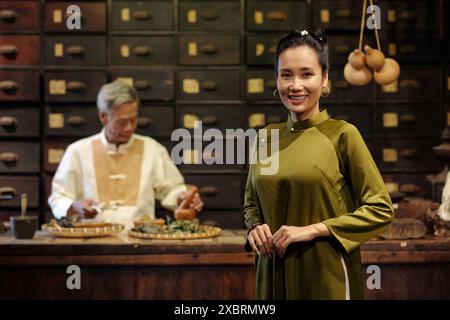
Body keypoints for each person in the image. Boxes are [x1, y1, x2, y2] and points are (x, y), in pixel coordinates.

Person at [243, 28, 394, 299]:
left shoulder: (343, 135)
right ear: (276, 80)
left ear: (324, 79)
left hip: (325, 275)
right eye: (286, 75)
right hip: (271, 274)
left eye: (307, 74)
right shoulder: (265, 137)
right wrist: (255, 227)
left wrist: (313, 230)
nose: (295, 85)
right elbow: (250, 201)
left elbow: (380, 209)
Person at [48, 80, 203, 230]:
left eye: (133, 120)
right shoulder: (78, 151)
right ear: (103, 116)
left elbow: (172, 190)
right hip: (92, 241)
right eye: (122, 122)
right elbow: (58, 198)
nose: (129, 128)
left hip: (142, 239)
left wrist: (182, 198)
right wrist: (75, 206)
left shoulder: (153, 149)